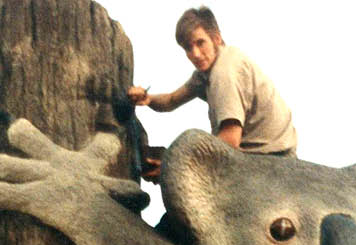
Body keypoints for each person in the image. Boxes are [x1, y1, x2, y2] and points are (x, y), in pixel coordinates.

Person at [127, 6, 296, 178]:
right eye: (188, 48)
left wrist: (174, 167)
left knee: (187, 158)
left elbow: (230, 140)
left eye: (200, 43)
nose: (196, 54)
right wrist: (147, 99)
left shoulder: (224, 73)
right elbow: (171, 100)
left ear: (216, 38)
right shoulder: (208, 69)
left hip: (271, 159)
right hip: (260, 151)